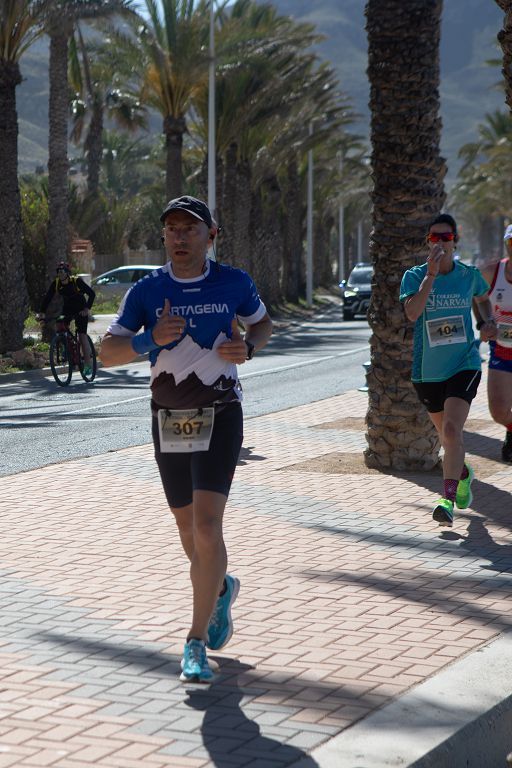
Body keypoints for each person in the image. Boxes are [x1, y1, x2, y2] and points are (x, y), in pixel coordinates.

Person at [99, 195, 273, 682]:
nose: (179, 236)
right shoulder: (147, 290)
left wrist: (249, 347)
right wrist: (147, 340)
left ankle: (194, 641)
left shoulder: (233, 282)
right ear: (164, 237)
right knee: (185, 528)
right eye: (172, 228)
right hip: (169, 417)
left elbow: (263, 322)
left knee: (207, 524)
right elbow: (107, 353)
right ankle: (220, 589)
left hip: (221, 412)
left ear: (210, 235)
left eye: (189, 228)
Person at [400, 213, 496, 526]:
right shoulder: (413, 276)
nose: (440, 243)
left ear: (455, 240)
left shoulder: (468, 275)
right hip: (427, 372)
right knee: (447, 437)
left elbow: (482, 298)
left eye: (446, 238)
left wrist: (486, 321)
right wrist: (430, 276)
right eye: (434, 238)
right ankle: (463, 474)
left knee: (453, 431)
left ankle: (447, 499)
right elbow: (413, 313)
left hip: (464, 364)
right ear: (427, 242)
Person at [473, 225, 512, 463]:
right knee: (498, 411)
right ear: (507, 245)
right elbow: (474, 296)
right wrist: (483, 323)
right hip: (502, 349)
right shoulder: (491, 272)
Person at [37, 262, 96, 376]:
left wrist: (86, 309)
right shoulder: (57, 283)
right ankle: (67, 348)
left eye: (62, 271)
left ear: (67, 273)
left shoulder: (76, 281)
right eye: (58, 272)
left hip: (80, 310)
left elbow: (91, 294)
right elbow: (48, 297)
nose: (60, 273)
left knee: (82, 336)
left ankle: (88, 365)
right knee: (60, 323)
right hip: (67, 310)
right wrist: (42, 313)